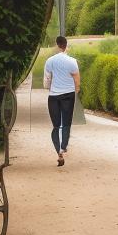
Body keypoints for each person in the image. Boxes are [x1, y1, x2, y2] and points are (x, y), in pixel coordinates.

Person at [43, 36, 80, 166]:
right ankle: (63, 147)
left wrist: (50, 88)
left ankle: (58, 150)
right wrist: (76, 91)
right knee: (66, 123)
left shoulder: (50, 61)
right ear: (66, 45)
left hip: (54, 96)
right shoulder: (72, 61)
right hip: (68, 95)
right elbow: (76, 79)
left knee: (56, 125)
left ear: (56, 45)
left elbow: (46, 80)